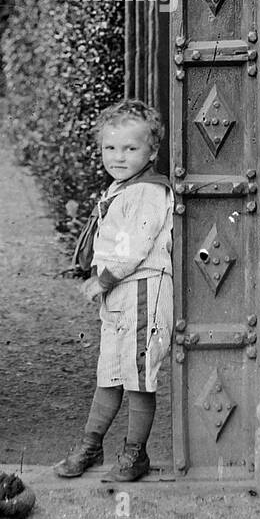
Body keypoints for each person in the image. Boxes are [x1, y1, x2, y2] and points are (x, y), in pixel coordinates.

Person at [54, 99, 173, 483]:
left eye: (130, 148)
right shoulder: (122, 187)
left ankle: (135, 453)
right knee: (109, 372)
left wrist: (101, 281)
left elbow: (133, 250)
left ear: (151, 151)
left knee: (138, 377)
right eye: (110, 148)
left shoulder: (149, 192)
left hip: (143, 291)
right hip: (121, 297)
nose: (118, 157)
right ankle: (92, 444)